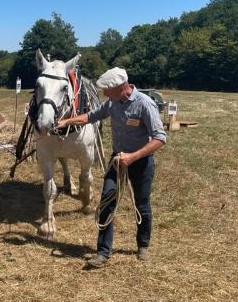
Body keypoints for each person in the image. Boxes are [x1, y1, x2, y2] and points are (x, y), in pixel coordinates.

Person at [56, 67, 166, 269]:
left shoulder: (145, 104)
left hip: (140, 161)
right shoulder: (113, 103)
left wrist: (133, 156)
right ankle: (102, 253)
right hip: (117, 161)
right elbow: (90, 116)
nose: (104, 94)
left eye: (107, 90)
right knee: (107, 201)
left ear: (120, 87)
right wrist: (66, 121)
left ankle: (143, 246)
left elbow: (160, 138)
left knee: (141, 205)